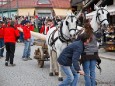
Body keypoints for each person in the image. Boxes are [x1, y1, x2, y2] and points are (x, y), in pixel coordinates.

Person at [80, 20, 101, 86]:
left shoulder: (82, 35)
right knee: (92, 71)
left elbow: (76, 43)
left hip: (86, 55)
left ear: (84, 28)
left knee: (86, 71)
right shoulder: (95, 34)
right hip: (94, 55)